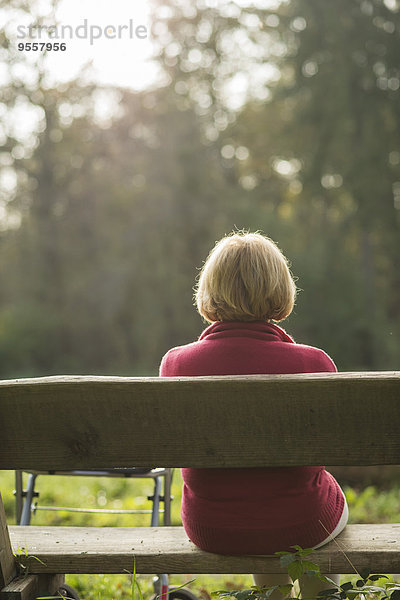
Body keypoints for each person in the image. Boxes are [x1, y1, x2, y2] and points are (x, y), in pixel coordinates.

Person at [159, 232, 348, 598]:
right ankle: (322, 595)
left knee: (259, 506)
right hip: (303, 523)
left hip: (213, 527)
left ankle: (273, 595)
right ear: (280, 290)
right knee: (307, 503)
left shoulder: (176, 364)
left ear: (209, 291)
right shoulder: (314, 363)